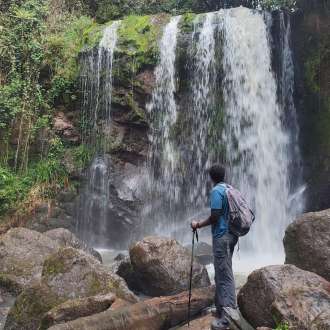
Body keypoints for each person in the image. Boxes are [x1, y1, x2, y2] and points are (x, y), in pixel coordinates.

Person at [191, 164, 238, 330]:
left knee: (224, 274)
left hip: (222, 236)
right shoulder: (229, 188)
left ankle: (228, 317)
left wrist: (198, 224)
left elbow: (215, 216)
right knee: (222, 270)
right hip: (232, 236)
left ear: (211, 177)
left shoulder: (217, 191)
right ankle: (220, 308)